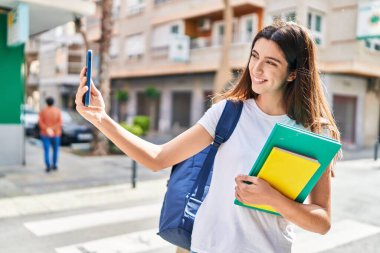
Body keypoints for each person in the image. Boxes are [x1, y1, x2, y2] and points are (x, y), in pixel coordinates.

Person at [75, 21, 341, 253]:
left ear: (293, 73)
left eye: (271, 63)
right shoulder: (228, 112)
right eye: (254, 56)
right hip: (207, 247)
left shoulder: (314, 133)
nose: (256, 69)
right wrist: (100, 118)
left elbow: (322, 221)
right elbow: (157, 158)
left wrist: (273, 199)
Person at [38, 97, 62, 173]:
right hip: (56, 134)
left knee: (46, 150)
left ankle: (48, 166)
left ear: (46, 102)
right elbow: (60, 122)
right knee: (55, 150)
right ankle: (54, 165)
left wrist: (47, 129)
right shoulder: (57, 111)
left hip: (45, 134)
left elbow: (40, 122)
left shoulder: (43, 111)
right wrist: (53, 129)